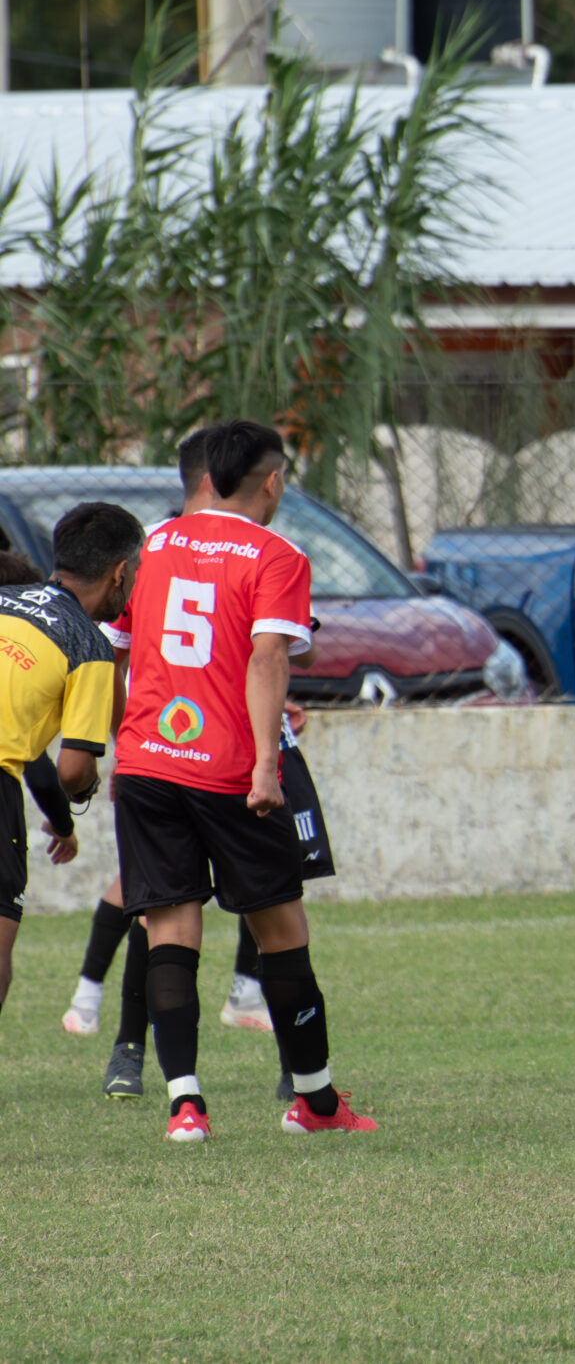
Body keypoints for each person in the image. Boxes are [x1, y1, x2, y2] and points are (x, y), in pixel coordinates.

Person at [115, 419, 377, 1141]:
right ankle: (315, 1102)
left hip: (147, 760)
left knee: (171, 927)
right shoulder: (277, 555)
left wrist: (120, 747)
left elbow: (119, 651)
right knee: (281, 929)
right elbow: (269, 657)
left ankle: (186, 1105)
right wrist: (267, 762)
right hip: (229, 767)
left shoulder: (152, 543)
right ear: (272, 481)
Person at [69, 426, 281, 1106]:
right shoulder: (168, 549)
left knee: (172, 909)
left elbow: (252, 653)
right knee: (174, 906)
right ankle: (130, 1040)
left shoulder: (174, 548)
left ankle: (187, 1066)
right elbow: (120, 650)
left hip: (171, 755)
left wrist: (124, 737)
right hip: (203, 758)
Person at [0, 505, 139, 1027]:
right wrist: (82, 794)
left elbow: (29, 749)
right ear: (119, 572)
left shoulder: (4, 598)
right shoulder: (88, 644)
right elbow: (72, 769)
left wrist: (60, 820)